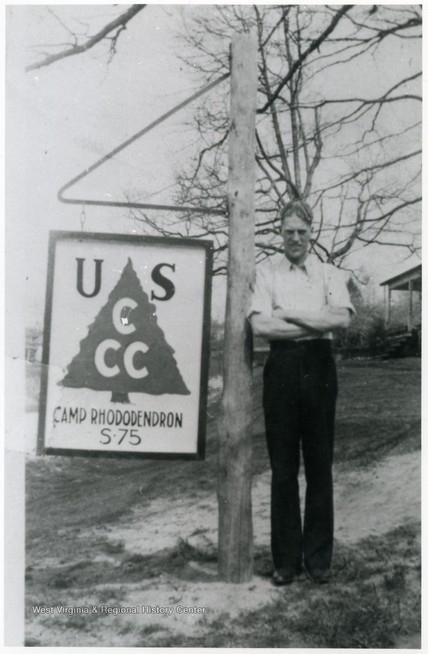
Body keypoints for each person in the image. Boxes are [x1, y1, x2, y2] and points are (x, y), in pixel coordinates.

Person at [248, 200, 354, 586]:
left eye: (302, 232)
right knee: (283, 469)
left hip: (320, 368)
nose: (295, 238)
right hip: (281, 370)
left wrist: (288, 316)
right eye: (289, 231)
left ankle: (319, 559)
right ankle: (287, 562)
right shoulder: (266, 274)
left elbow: (340, 318)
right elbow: (261, 327)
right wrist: (312, 322)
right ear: (280, 232)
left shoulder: (329, 273)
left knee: (321, 465)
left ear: (311, 234)